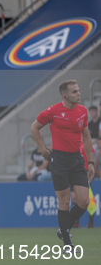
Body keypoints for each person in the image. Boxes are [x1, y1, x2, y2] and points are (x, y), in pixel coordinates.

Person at [31, 80, 95, 255]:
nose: (79, 94)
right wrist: (43, 150)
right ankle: (67, 244)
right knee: (64, 202)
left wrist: (90, 161)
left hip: (76, 160)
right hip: (58, 159)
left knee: (83, 201)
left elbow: (87, 137)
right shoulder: (53, 111)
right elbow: (34, 128)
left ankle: (63, 229)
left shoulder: (82, 111)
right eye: (75, 92)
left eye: (79, 90)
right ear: (64, 95)